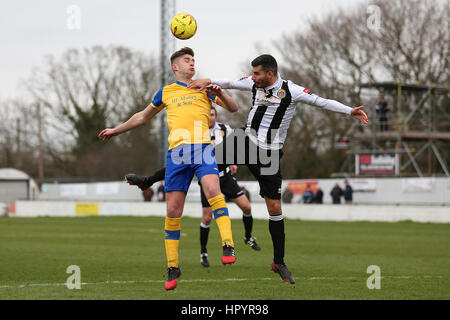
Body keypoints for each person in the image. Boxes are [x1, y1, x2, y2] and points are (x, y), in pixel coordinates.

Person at [187, 54, 369, 285]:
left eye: (257, 73)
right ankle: (152, 178)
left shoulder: (291, 91)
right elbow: (231, 82)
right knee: (202, 160)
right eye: (252, 73)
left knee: (274, 207)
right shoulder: (254, 83)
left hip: (269, 153)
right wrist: (207, 80)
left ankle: (279, 262)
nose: (253, 77)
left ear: (270, 74)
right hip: (245, 140)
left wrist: (349, 110)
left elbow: (321, 101)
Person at [98, 47, 239, 291]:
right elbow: (142, 117)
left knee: (213, 191)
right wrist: (115, 130)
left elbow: (234, 108)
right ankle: (173, 266)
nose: (192, 63)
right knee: (173, 211)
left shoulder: (205, 88)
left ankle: (228, 244)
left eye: (194, 59)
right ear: (175, 67)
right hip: (177, 154)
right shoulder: (166, 92)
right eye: (187, 60)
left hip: (203, 148)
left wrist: (221, 94)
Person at [126, 106, 261, 269]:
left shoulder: (225, 130)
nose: (210, 117)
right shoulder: (196, 132)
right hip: (207, 177)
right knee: (207, 217)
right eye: (207, 115)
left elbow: (232, 146)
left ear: (216, 117)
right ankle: (203, 252)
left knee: (246, 206)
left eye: (212, 115)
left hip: (224, 176)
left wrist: (232, 161)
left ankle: (247, 237)